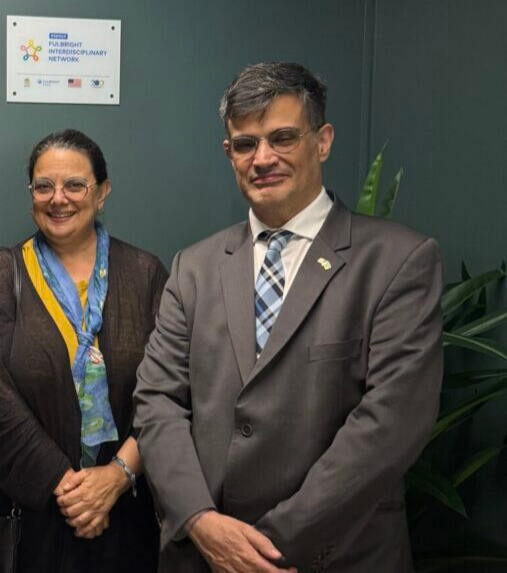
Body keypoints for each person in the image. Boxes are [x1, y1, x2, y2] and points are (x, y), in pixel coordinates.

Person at [134, 61, 444, 573]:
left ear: (322, 141)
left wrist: (262, 548)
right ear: (228, 152)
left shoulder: (397, 261)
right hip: (204, 553)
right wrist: (200, 521)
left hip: (331, 554)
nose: (263, 158)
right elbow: (157, 400)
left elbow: (390, 424)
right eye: (245, 143)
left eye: (282, 138)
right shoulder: (195, 266)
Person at [0, 129, 166, 572]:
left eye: (75, 185)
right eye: (44, 186)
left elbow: (170, 388)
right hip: (32, 516)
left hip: (126, 511)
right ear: (30, 193)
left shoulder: (145, 273)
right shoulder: (3, 274)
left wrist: (116, 477)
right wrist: (68, 487)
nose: (59, 199)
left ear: (102, 192)